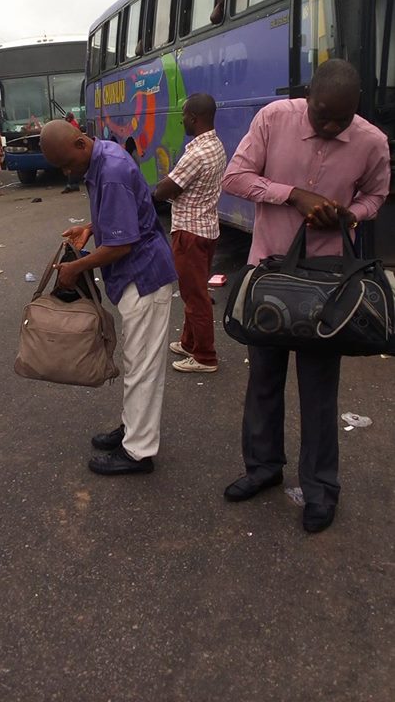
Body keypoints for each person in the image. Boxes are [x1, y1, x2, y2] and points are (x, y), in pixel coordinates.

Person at [221, 59, 390, 533]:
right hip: (271, 274)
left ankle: (320, 490)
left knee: (319, 391)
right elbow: (234, 178)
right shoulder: (274, 119)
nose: (332, 126)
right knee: (264, 381)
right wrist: (293, 195)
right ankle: (263, 469)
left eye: (343, 118)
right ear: (307, 96)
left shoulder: (371, 142)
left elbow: (376, 196)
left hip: (328, 286)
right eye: (322, 115)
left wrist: (347, 215)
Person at [40, 120, 177, 475]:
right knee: (135, 361)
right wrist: (89, 227)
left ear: (80, 144)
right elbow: (126, 209)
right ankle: (133, 428)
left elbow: (121, 243)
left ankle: (138, 452)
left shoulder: (111, 169)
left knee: (142, 366)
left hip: (144, 276)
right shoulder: (102, 158)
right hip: (136, 275)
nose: (68, 173)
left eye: (68, 164)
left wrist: (75, 268)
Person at [154, 93, 227, 373]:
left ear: (194, 118)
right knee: (194, 290)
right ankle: (189, 342)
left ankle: (205, 356)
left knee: (194, 295)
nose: (182, 120)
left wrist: (157, 188)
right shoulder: (215, 145)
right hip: (207, 228)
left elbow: (164, 190)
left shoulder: (196, 154)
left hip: (190, 233)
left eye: (183, 115)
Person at [61, 114, 82, 192]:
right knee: (72, 168)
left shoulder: (71, 125)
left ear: (69, 118)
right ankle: (72, 185)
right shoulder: (73, 123)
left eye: (66, 118)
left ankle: (72, 185)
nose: (65, 119)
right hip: (74, 148)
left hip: (73, 148)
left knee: (72, 168)